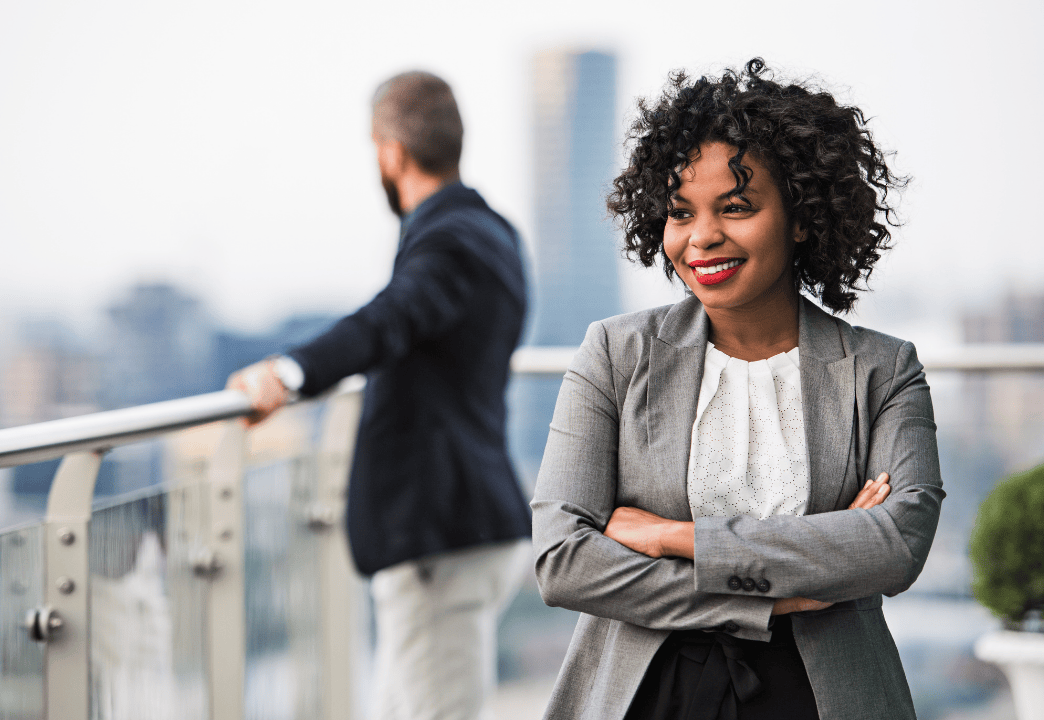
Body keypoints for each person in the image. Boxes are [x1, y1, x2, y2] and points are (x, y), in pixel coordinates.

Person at [531, 59, 944, 720]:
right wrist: (777, 593)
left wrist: (676, 537)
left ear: (801, 216)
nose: (702, 237)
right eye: (679, 212)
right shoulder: (614, 353)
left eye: (736, 206)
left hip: (821, 693)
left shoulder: (881, 369)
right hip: (650, 690)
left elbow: (895, 548)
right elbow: (562, 558)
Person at [229, 71, 532, 720]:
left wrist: (287, 374)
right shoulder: (493, 232)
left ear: (390, 154)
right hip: (457, 527)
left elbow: (389, 318)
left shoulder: (450, 243)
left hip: (440, 538)